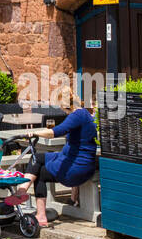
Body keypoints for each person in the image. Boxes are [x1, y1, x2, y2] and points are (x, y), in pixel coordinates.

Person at [21, 94, 98, 226]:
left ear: (64, 105)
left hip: (77, 168)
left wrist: (35, 133)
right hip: (79, 161)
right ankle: (22, 190)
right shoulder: (85, 114)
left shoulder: (76, 115)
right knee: (37, 157)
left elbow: (56, 132)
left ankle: (40, 214)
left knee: (39, 173)